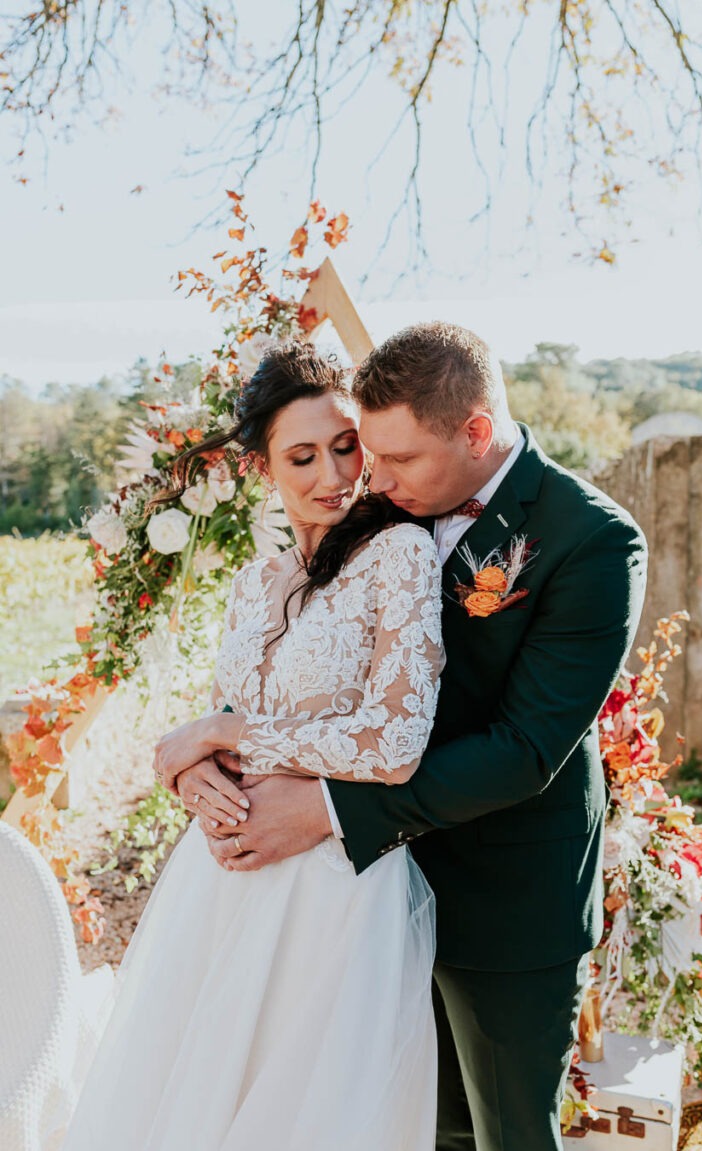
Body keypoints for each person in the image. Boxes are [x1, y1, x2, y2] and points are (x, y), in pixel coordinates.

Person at [184, 322, 649, 1151]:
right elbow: (289, 677)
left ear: (476, 432)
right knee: (401, 1123)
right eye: (372, 452)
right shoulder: (368, 508)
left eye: (397, 459)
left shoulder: (593, 542)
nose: (372, 477)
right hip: (366, 899)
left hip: (502, 898)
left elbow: (524, 749)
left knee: (500, 1132)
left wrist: (333, 811)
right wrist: (201, 762)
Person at [62, 343, 444, 1151]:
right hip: (221, 882)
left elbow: (396, 741)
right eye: (302, 456)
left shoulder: (399, 556)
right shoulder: (253, 582)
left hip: (335, 888)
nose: (331, 475)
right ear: (263, 466)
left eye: (345, 447)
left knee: (307, 1114)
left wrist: (227, 733)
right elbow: (225, 714)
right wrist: (197, 768)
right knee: (197, 1097)